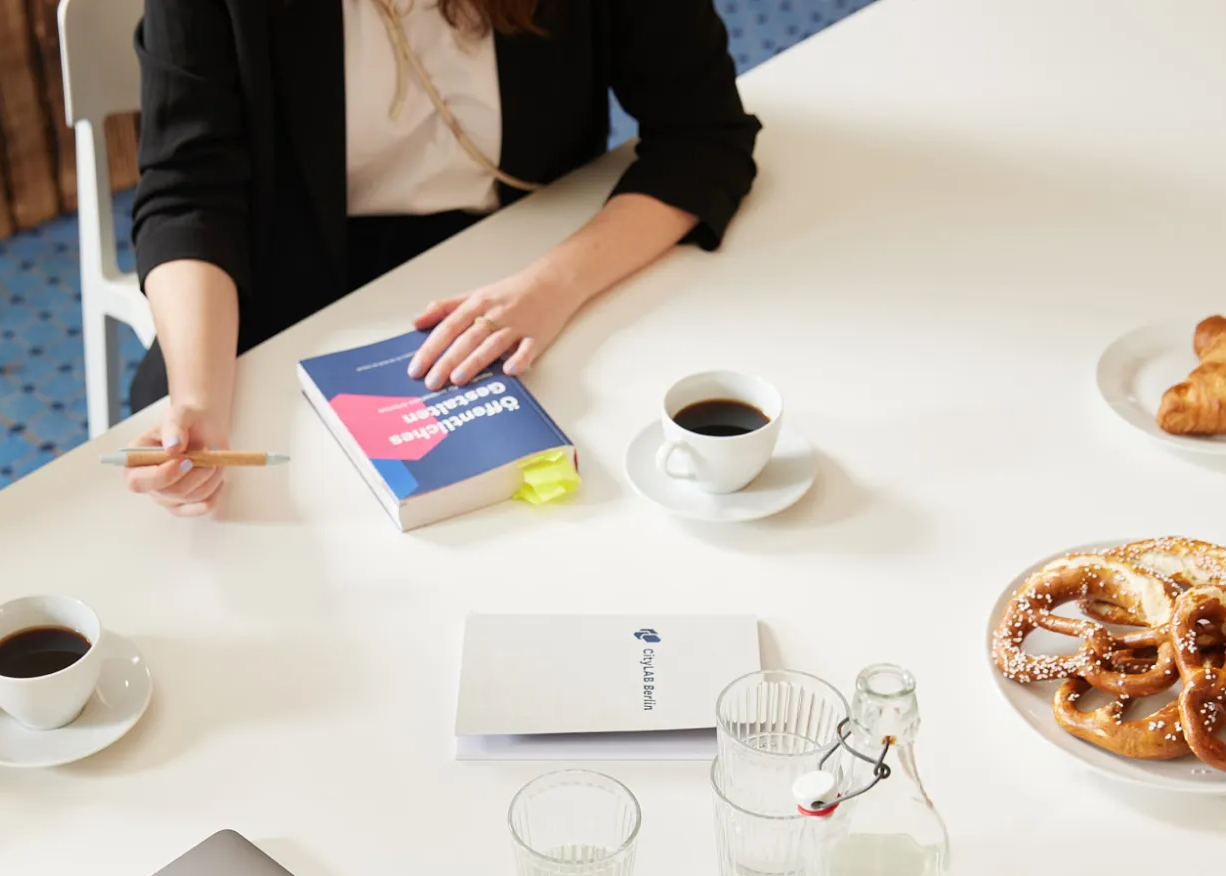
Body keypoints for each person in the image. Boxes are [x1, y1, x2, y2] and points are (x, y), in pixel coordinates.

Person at [126, 0, 761, 515]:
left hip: (530, 252)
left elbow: (702, 137)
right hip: (289, 266)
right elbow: (189, 193)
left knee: (600, 492)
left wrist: (550, 287)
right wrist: (198, 404)